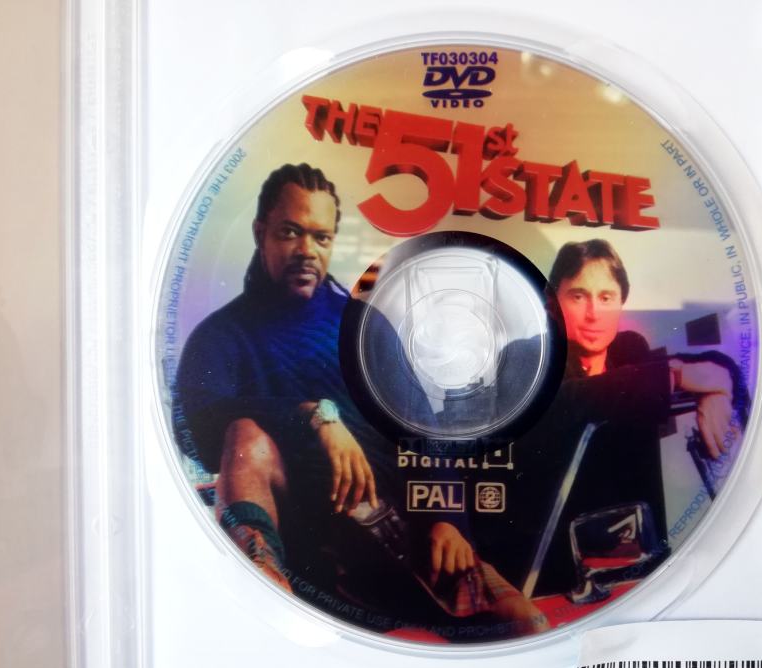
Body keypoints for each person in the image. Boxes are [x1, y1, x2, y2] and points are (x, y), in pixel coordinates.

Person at [173, 163, 547, 639]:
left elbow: (420, 427)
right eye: (290, 232)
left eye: (321, 237)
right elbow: (196, 426)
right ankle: (257, 587)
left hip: (402, 530)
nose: (307, 250)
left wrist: (447, 520)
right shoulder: (219, 337)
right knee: (245, 434)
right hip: (309, 543)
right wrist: (314, 415)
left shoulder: (364, 326)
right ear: (260, 232)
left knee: (525, 625)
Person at [476, 238, 748, 597]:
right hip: (543, 572)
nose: (594, 313)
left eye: (606, 297)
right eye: (578, 296)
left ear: (621, 302)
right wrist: (679, 376)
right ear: (551, 303)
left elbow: (720, 365)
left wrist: (718, 389)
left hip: (631, 567)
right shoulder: (527, 356)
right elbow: (568, 401)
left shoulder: (629, 351)